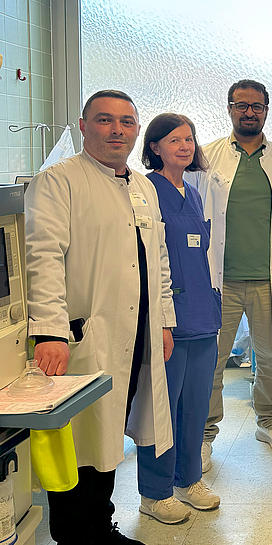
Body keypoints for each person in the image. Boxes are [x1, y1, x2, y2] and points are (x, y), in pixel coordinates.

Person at [26, 90, 175, 545]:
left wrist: (163, 321)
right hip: (83, 335)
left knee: (110, 433)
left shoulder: (143, 186)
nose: (117, 130)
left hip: (135, 332)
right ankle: (75, 534)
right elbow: (43, 257)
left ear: (136, 130)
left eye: (126, 122)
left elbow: (159, 260)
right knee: (81, 440)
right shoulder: (59, 181)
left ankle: (100, 525)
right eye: (105, 120)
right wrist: (49, 331)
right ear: (83, 125)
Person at [186, 80, 272, 467]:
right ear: (229, 108)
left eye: (257, 106)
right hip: (219, 281)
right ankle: (203, 434)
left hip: (269, 278)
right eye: (242, 105)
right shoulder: (206, 156)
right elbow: (192, 210)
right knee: (211, 360)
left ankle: (270, 422)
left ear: (267, 110)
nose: (249, 112)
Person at [136, 113, 221, 524]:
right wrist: (163, 320)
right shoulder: (145, 191)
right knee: (161, 409)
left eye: (189, 139)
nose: (185, 146)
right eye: (174, 140)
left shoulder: (194, 192)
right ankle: (155, 493)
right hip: (168, 319)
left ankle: (189, 480)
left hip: (202, 316)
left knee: (195, 406)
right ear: (155, 147)